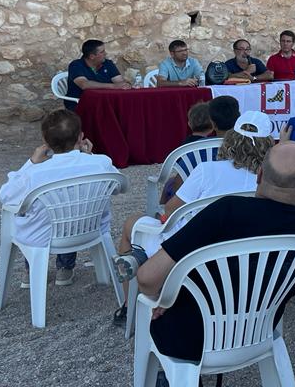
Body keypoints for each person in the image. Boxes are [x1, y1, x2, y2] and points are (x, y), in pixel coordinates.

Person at [135, 142, 295, 364]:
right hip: (259, 332)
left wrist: (170, 293)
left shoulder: (225, 211)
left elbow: (147, 280)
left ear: (259, 174)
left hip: (189, 339)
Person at [110, 105, 271, 324]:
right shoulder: (269, 180)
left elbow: (171, 208)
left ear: (231, 139)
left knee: (132, 224)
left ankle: (128, 307)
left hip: (191, 252)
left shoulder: (207, 170)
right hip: (244, 254)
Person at [0, 109, 117, 287]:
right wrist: (89, 156)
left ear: (45, 142)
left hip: (41, 237)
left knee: (31, 212)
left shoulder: (34, 173)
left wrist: (30, 163)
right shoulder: (101, 162)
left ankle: (32, 270)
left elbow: (5, 195)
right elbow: (118, 186)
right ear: (81, 137)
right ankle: (65, 269)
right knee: (70, 209)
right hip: (88, 229)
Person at [65, 39, 132, 104]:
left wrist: (125, 85)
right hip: (81, 103)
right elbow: (84, 84)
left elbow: (119, 82)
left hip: (105, 101)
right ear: (92, 56)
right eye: (102, 52)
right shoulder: (76, 65)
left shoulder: (108, 63)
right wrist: (113, 86)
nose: (105, 53)